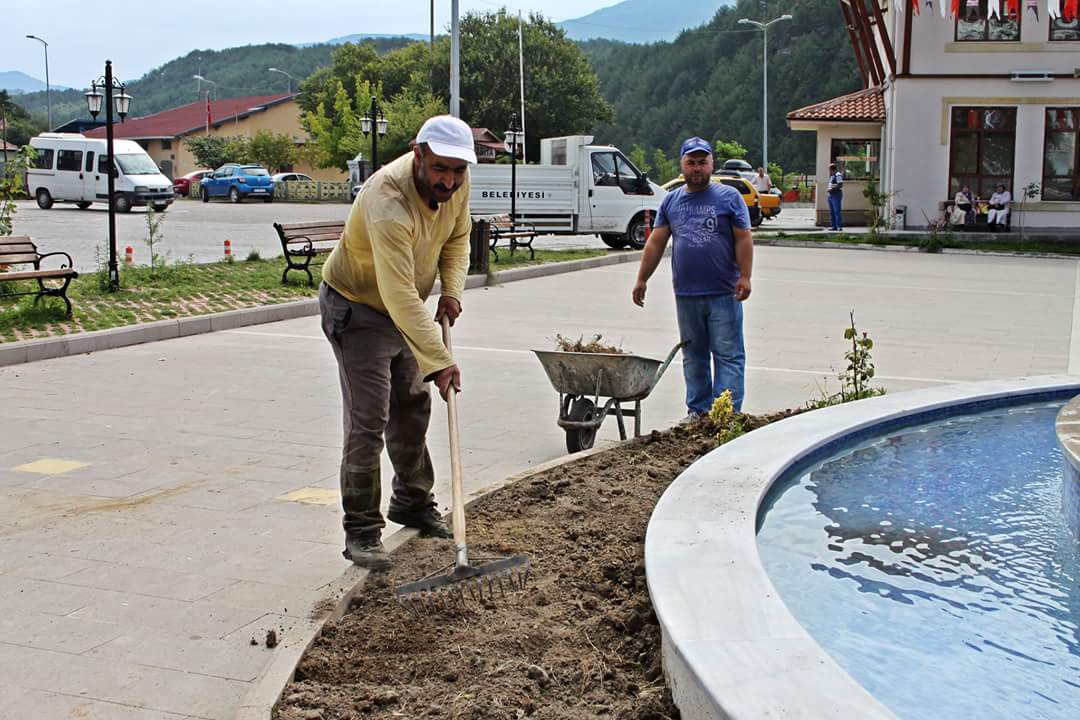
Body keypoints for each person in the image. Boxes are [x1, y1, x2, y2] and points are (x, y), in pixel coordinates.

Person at [318, 115, 476, 570]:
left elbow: (457, 238)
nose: (449, 181)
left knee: (412, 407)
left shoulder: (457, 185)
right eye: (441, 169)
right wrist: (440, 358)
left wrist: (451, 291)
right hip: (359, 308)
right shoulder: (387, 200)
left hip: (403, 308)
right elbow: (398, 293)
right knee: (368, 420)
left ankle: (411, 502)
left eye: (458, 172)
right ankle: (362, 532)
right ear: (418, 153)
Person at [632, 136, 753, 419]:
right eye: (691, 162)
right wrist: (642, 278)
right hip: (686, 294)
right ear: (682, 165)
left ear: (711, 164)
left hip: (724, 291)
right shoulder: (672, 201)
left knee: (728, 355)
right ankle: (697, 411)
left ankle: (726, 414)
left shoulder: (729, 197)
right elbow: (656, 243)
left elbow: (743, 238)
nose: (697, 168)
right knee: (694, 357)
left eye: (702, 162)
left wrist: (745, 276)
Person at [826, 162, 843, 231]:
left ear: (832, 169)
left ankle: (839, 226)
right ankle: (834, 226)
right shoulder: (832, 176)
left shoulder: (838, 175)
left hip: (836, 195)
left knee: (837, 211)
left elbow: (840, 185)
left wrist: (832, 188)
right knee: (832, 211)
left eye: (829, 170)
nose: (829, 171)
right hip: (830, 195)